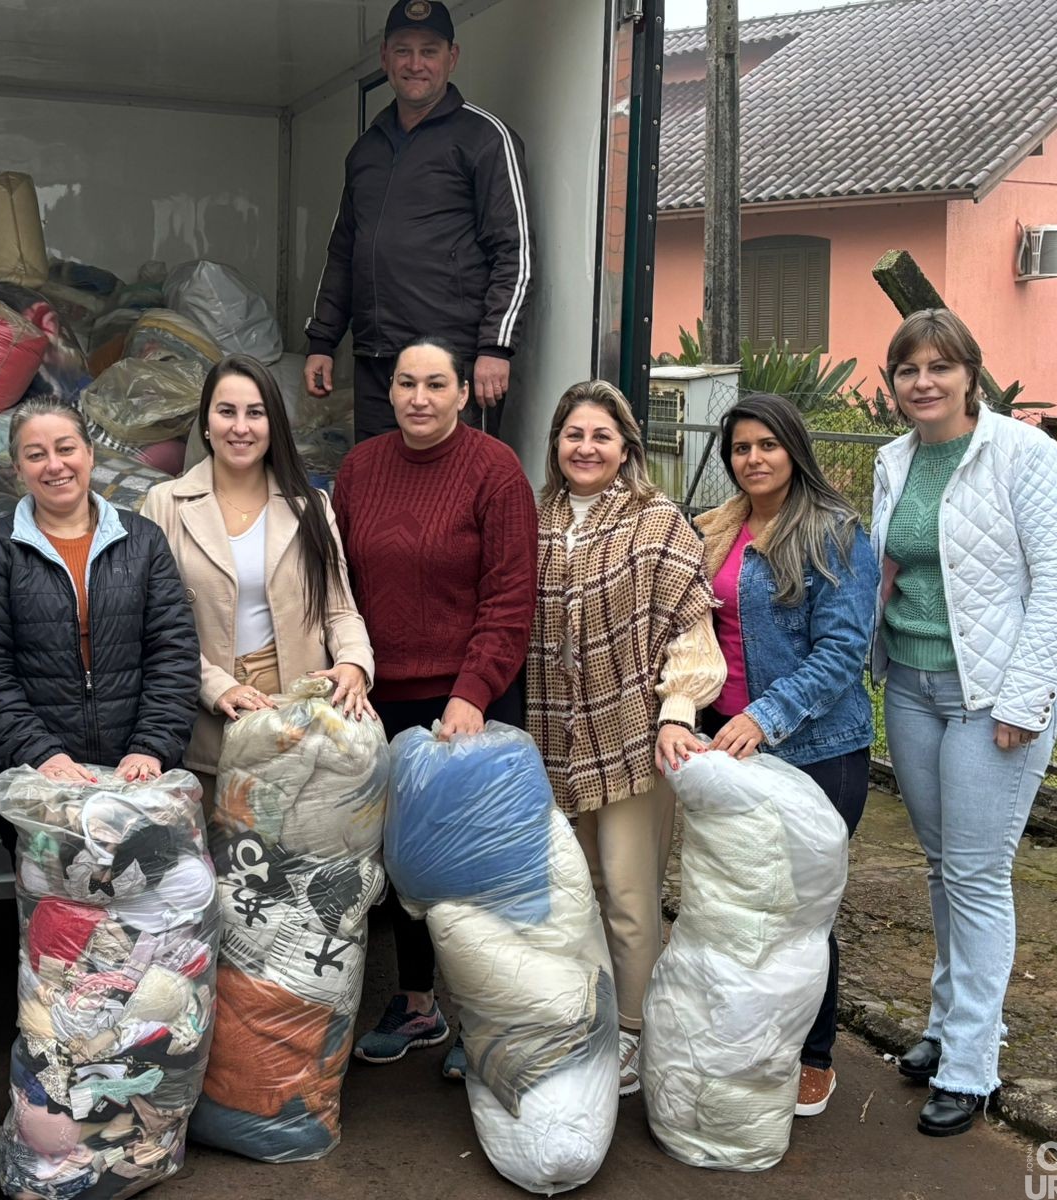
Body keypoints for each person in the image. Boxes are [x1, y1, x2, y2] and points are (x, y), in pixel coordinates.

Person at [870, 309, 1057, 1137]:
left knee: (977, 874)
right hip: (910, 687)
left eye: (940, 367)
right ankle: (950, 1023)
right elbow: (892, 568)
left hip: (991, 698)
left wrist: (1025, 700)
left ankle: (969, 1066)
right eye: (908, 369)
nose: (923, 382)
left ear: (970, 374)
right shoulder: (896, 459)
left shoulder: (1023, 453)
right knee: (942, 868)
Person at [331, 335, 537, 1074]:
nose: (419, 398)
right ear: (389, 390)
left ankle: (485, 1020)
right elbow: (340, 585)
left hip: (468, 701)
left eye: (435, 384)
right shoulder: (360, 470)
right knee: (401, 862)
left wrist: (472, 693)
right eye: (406, 383)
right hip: (379, 699)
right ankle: (418, 1004)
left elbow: (510, 597)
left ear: (463, 393)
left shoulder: (495, 469)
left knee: (472, 864)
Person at [526, 380, 724, 1098]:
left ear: (626, 447)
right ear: (556, 443)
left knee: (629, 892)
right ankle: (584, 1018)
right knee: (567, 890)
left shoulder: (658, 522)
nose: (586, 448)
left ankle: (636, 1031)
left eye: (601, 436)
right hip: (549, 738)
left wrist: (678, 709)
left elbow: (691, 628)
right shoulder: (535, 519)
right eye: (573, 434)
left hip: (634, 737)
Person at [692, 391, 880, 1118]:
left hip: (816, 752)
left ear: (793, 449)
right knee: (744, 907)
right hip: (730, 744)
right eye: (741, 448)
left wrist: (764, 717)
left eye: (767, 445)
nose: (753, 459)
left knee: (803, 915)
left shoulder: (834, 532)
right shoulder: (718, 527)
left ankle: (814, 1055)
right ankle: (753, 1041)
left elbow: (842, 652)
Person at [141, 355, 374, 797]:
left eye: (255, 413)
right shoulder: (165, 503)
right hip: (209, 710)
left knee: (297, 836)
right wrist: (216, 687)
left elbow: (340, 611)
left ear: (273, 424)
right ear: (206, 423)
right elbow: (151, 627)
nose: (240, 427)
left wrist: (354, 662)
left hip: (300, 713)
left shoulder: (311, 505)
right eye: (226, 411)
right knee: (217, 835)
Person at [303, 0, 532, 443]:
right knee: (377, 478)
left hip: (452, 364)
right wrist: (322, 342)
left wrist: (495, 347)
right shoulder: (365, 150)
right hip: (377, 364)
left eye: (429, 51)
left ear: (452, 57)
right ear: (384, 57)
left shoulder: (485, 138)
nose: (415, 64)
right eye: (403, 50)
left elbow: (515, 253)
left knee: (457, 484)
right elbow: (343, 253)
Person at [0, 399, 199, 795]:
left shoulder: (142, 540)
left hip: (138, 773)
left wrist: (150, 747)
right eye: (36, 455)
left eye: (66, 448)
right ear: (18, 468)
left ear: (90, 454)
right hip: (39, 781)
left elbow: (173, 652)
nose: (54, 465)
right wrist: (41, 755)